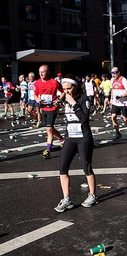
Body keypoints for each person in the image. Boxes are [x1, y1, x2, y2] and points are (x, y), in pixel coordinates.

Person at [54, 74, 98, 212]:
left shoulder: (83, 99)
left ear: (75, 86)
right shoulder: (65, 98)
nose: (66, 91)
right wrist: (58, 103)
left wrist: (73, 103)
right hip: (70, 137)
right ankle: (66, 199)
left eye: (69, 88)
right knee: (63, 167)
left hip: (83, 137)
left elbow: (84, 118)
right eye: (64, 89)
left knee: (87, 167)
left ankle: (92, 195)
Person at [34, 65, 65, 159]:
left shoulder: (54, 82)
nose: (41, 74)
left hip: (53, 108)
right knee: (50, 128)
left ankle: (48, 150)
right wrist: (37, 99)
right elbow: (35, 95)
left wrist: (58, 100)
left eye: (43, 72)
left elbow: (63, 91)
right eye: (39, 72)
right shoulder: (37, 83)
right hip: (43, 108)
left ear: (48, 72)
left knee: (49, 129)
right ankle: (61, 138)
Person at [110, 67, 127, 141]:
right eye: (112, 73)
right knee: (113, 117)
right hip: (115, 103)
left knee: (124, 118)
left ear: (118, 72)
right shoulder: (112, 80)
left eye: (115, 73)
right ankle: (117, 132)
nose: (113, 74)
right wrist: (111, 100)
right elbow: (112, 90)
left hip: (123, 103)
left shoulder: (123, 80)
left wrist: (121, 96)